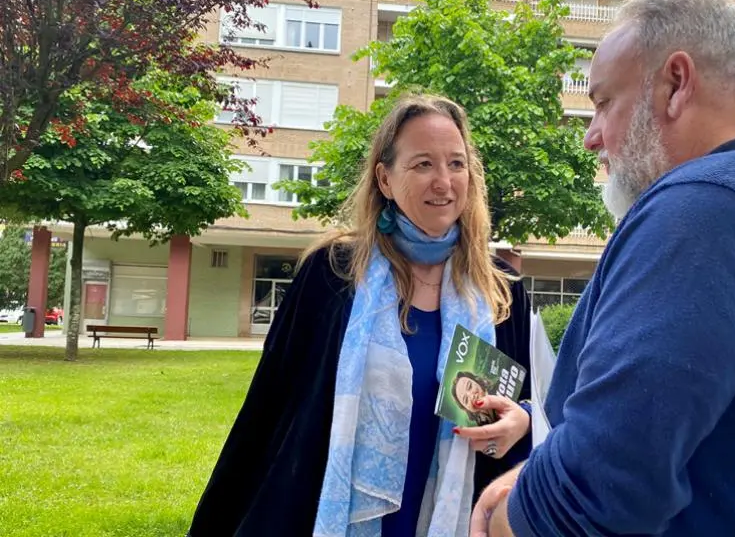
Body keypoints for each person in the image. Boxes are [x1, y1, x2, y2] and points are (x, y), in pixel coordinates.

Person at [470, 0, 735, 536]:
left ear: (675, 84)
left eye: (604, 102)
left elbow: (599, 490)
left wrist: (504, 519)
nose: (591, 137)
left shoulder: (704, 209)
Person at [187, 94, 535, 537]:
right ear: (385, 179)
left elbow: (537, 404)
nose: (444, 182)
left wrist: (520, 419)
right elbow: (272, 403)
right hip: (338, 507)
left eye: (456, 163)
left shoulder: (500, 289)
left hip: (456, 509)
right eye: (423, 164)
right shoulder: (333, 273)